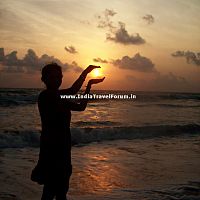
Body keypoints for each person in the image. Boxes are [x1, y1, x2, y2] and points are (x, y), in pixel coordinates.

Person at [31, 63, 105, 200]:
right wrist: (86, 72)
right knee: (50, 190)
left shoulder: (60, 99)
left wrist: (89, 85)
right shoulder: (46, 96)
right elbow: (72, 91)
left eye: (59, 76)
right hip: (51, 150)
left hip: (64, 149)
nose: (56, 80)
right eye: (52, 77)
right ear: (44, 79)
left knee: (62, 190)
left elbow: (81, 107)